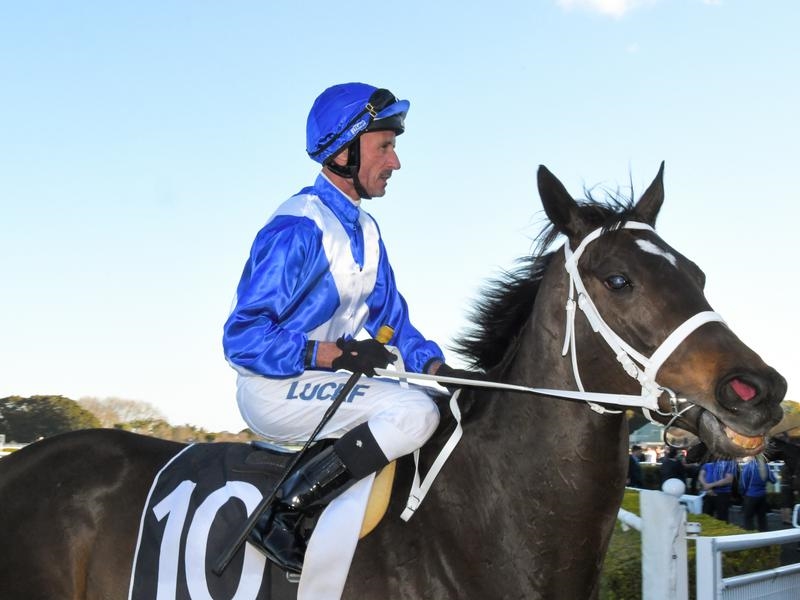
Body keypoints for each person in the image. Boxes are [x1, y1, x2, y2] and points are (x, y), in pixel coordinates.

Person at [222, 82, 471, 577]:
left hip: (328, 381)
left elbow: (393, 322)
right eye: (385, 147)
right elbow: (242, 338)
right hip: (273, 388)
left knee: (439, 402)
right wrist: (332, 354)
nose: (395, 162)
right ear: (343, 153)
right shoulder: (296, 228)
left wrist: (440, 369)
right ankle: (284, 512)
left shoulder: (368, 231)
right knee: (414, 413)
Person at [739, 455, 776, 531]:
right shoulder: (766, 467)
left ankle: (750, 534)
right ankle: (763, 534)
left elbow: (743, 484)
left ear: (753, 457)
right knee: (762, 518)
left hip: (750, 496)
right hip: (762, 495)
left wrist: (742, 493)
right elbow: (773, 480)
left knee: (748, 518)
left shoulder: (748, 466)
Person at [699, 458, 739, 522]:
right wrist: (707, 487)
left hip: (722, 494)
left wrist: (709, 486)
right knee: (705, 517)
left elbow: (728, 480)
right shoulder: (707, 464)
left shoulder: (730, 463)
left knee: (722, 518)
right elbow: (701, 476)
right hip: (708, 493)